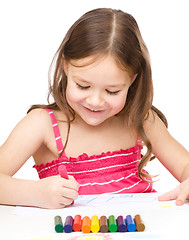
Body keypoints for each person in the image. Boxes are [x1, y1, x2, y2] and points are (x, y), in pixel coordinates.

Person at [0, 8, 189, 209]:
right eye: (83, 86)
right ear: (65, 66)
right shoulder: (42, 124)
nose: (96, 101)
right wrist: (34, 194)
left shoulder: (140, 119)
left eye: (112, 91)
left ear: (132, 80)